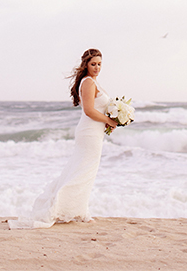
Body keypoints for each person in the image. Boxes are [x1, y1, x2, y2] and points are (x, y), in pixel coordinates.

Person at [8, 48, 117, 229]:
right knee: (83, 170)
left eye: (99, 64)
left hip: (93, 131)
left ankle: (80, 210)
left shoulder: (92, 82)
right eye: (93, 64)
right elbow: (89, 111)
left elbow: (96, 109)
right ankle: (74, 210)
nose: (97, 67)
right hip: (89, 132)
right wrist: (108, 120)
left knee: (84, 170)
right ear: (86, 65)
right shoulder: (88, 83)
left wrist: (109, 121)